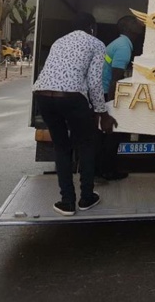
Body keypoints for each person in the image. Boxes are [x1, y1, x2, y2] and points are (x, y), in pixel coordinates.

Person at [33, 12, 117, 216]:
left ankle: (67, 202)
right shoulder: (97, 44)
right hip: (72, 97)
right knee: (86, 144)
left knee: (62, 147)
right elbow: (95, 82)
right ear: (92, 27)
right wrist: (102, 113)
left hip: (42, 95)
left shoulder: (58, 42)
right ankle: (86, 198)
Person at [97, 15, 144, 180]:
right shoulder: (124, 46)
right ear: (127, 28)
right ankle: (106, 171)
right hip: (105, 93)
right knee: (112, 133)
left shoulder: (120, 43)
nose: (139, 22)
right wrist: (112, 106)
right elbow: (115, 79)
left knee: (107, 135)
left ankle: (104, 170)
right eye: (134, 21)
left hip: (102, 91)